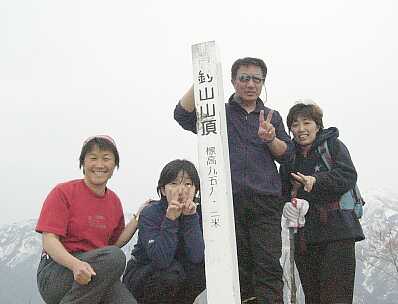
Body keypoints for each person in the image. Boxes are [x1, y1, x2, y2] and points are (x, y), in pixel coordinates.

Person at [174, 57, 294, 303]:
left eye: (256, 79)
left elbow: (288, 155)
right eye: (244, 78)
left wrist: (270, 138)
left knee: (268, 265)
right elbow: (182, 115)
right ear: (232, 81)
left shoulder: (272, 116)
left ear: (263, 83)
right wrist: (202, 79)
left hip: (265, 202)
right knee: (237, 268)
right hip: (227, 203)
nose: (250, 84)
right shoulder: (219, 112)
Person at [35, 135, 141, 304]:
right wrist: (75, 265)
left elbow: (113, 243)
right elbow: (49, 240)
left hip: (95, 272)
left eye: (106, 159)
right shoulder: (63, 192)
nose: (99, 165)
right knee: (115, 257)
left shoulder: (114, 201)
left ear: (115, 165)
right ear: (83, 163)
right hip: (58, 271)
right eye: (93, 158)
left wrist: (138, 219)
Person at [280, 102, 365, 304]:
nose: (301, 129)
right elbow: (283, 191)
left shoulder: (332, 146)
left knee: (337, 296)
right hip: (306, 238)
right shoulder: (289, 158)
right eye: (294, 124)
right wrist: (288, 204)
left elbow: (348, 175)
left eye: (306, 122)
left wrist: (316, 181)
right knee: (313, 297)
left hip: (338, 232)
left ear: (318, 125)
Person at [123, 159, 206, 304]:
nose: (181, 190)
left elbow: (197, 256)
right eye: (174, 183)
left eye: (188, 184)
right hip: (145, 272)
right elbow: (161, 259)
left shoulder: (200, 213)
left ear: (196, 190)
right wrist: (170, 220)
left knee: (199, 273)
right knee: (171, 273)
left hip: (179, 272)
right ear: (162, 190)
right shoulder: (150, 212)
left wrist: (191, 218)